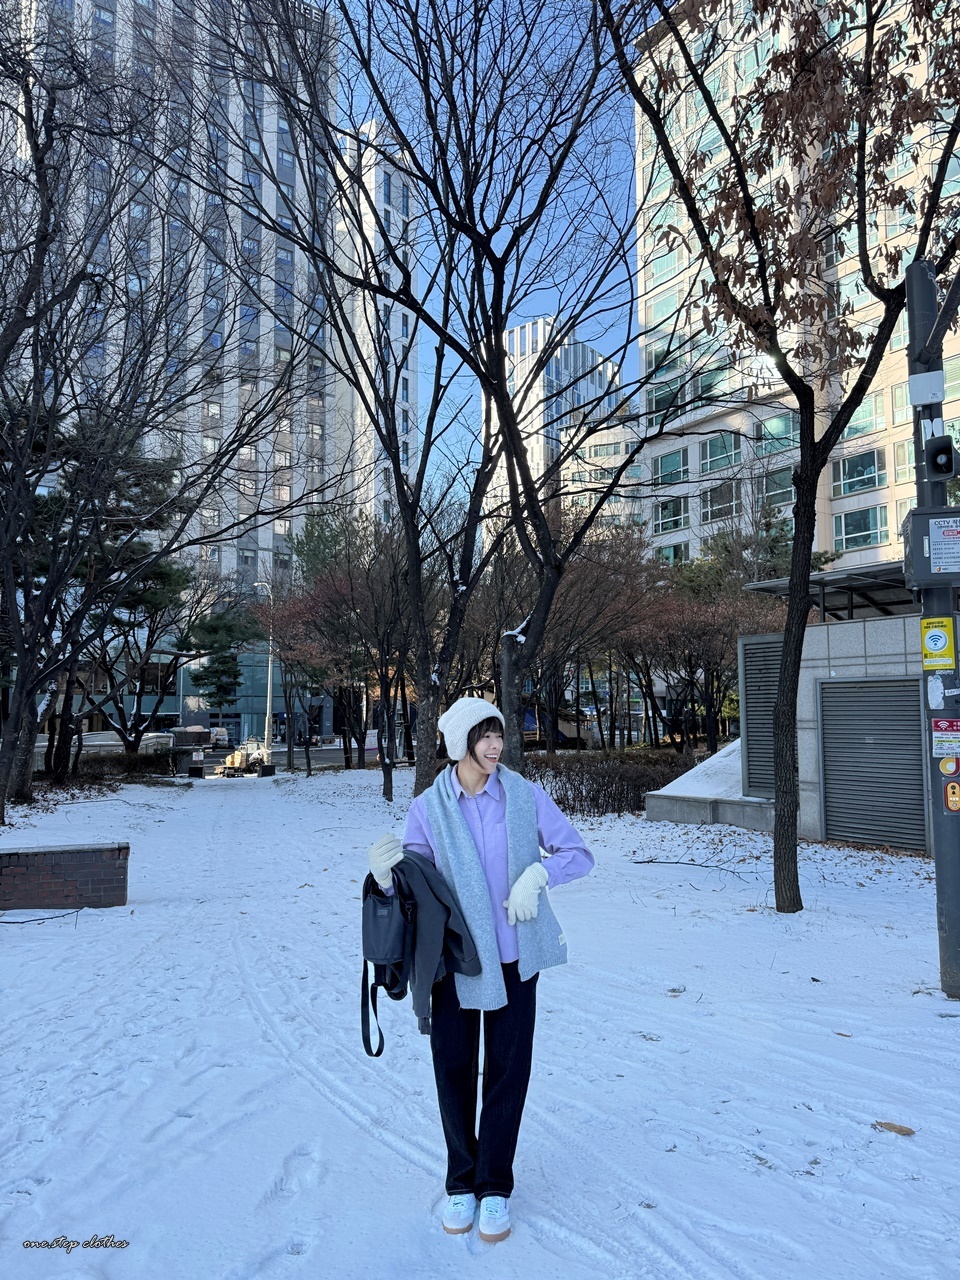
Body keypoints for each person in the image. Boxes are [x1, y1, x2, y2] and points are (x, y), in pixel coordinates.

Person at [366, 696, 594, 1244]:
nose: (496, 746)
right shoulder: (429, 808)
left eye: (499, 735)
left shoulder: (524, 795)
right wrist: (385, 879)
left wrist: (538, 875)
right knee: (453, 1070)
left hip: (516, 959)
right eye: (484, 736)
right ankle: (460, 1182)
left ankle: (494, 1187)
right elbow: (414, 886)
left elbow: (578, 854)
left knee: (508, 1073)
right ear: (459, 744)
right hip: (453, 960)